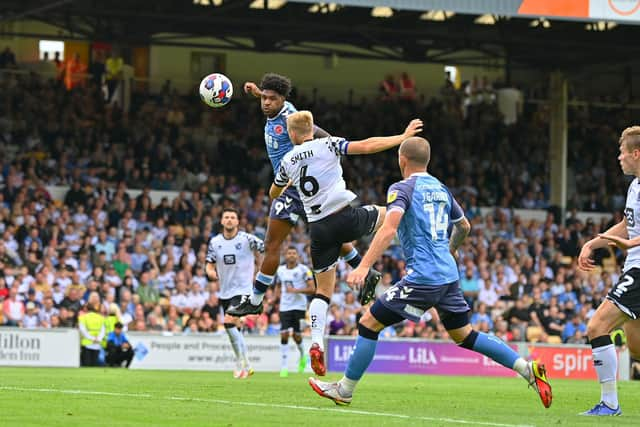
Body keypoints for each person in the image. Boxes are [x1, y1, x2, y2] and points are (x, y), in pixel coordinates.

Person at [308, 136, 552, 409]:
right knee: (466, 336)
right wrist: (451, 250)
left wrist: (363, 266)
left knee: (368, 323)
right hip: (448, 276)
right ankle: (527, 369)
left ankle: (345, 390)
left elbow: (389, 228)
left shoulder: (402, 188)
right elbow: (464, 227)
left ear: (402, 160)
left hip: (423, 277)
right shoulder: (441, 188)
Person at [270, 110, 423, 376]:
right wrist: (402, 137)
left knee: (322, 292)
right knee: (393, 213)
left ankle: (316, 343)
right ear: (312, 129)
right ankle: (402, 256)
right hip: (345, 216)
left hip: (318, 229)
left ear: (293, 134)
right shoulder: (328, 143)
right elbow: (366, 146)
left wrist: (284, 185)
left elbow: (274, 192)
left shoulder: (287, 160)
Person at [228, 73, 380, 317]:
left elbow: (321, 136)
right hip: (299, 188)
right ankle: (364, 270)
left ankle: (255, 300)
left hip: (294, 189)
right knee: (328, 233)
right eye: (264, 99)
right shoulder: (278, 107)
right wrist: (257, 92)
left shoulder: (290, 116)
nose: (266, 103)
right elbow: (270, 99)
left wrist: (326, 155)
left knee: (272, 244)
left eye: (271, 99)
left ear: (283, 100)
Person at [576, 125, 640, 416]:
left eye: (622, 152)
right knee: (637, 349)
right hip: (633, 265)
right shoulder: (635, 186)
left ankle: (609, 404)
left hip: (639, 270)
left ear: (636, 153)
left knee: (597, 327)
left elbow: (631, 235)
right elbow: (627, 224)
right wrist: (594, 243)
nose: (619, 157)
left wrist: (630, 243)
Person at [206, 208, 264, 379]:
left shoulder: (247, 239)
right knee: (234, 327)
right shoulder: (215, 242)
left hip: (243, 289)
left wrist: (261, 268)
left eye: (233, 217)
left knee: (228, 320)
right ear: (222, 221)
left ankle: (241, 362)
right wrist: (210, 272)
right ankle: (245, 363)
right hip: (225, 291)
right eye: (226, 217)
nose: (230, 220)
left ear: (238, 222)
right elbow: (209, 263)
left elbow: (266, 248)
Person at [275, 246, 315, 377]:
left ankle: (303, 355)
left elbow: (312, 289)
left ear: (297, 256)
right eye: (289, 253)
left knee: (296, 335)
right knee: (284, 333)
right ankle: (284, 366)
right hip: (284, 306)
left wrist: (296, 291)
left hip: (299, 306)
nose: (291, 255)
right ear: (285, 256)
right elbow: (277, 286)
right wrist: (273, 298)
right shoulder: (280, 270)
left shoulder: (304, 270)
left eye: (294, 253)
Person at [78, 302, 105, 367]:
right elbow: (103, 330)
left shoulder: (83, 317)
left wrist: (92, 338)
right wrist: (98, 338)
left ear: (86, 309)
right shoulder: (101, 318)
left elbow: (82, 330)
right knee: (94, 364)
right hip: (97, 343)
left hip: (87, 343)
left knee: (86, 364)